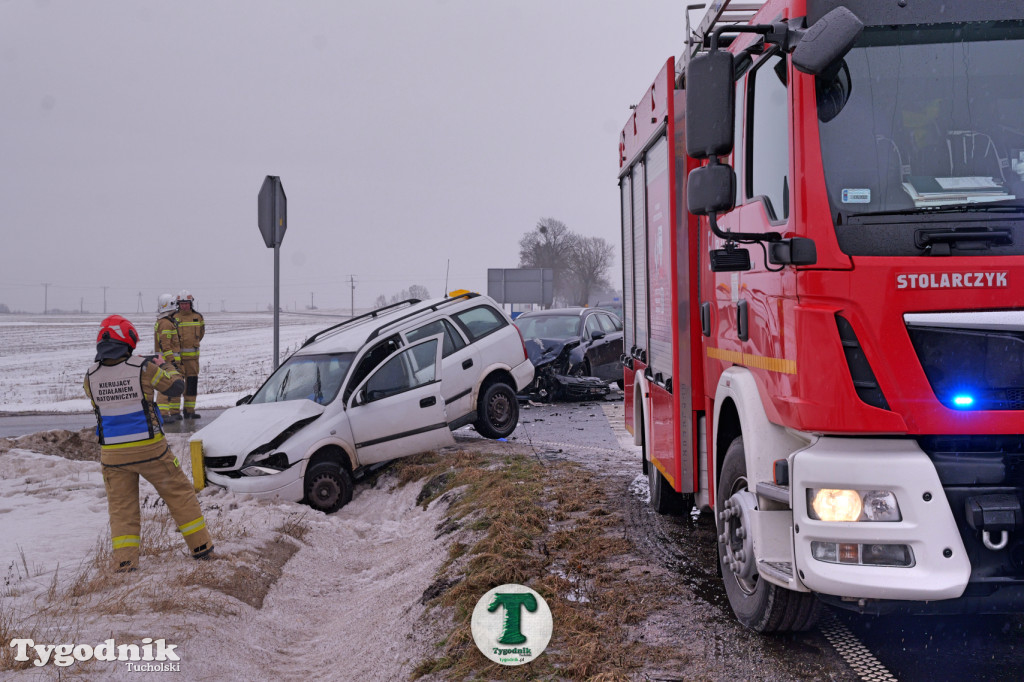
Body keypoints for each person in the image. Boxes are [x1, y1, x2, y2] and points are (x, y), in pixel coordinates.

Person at [83, 315, 214, 572]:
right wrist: (165, 363)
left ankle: (124, 562)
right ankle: (201, 548)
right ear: (128, 341)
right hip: (150, 450)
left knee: (122, 510)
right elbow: (176, 387)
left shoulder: (90, 376)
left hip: (112, 456)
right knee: (180, 494)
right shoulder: (143, 368)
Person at [173, 290, 205, 419]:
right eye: (182, 303)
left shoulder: (198, 317)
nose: (184, 306)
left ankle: (189, 411)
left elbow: (201, 334)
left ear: (191, 303)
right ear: (178, 304)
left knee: (191, 385)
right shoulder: (173, 317)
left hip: (192, 360)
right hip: (178, 360)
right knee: (176, 385)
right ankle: (174, 412)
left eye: (186, 303)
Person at [153, 293, 181, 422]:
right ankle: (163, 414)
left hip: (171, 361)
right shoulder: (165, 324)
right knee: (165, 386)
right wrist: (171, 362)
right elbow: (166, 346)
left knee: (176, 384)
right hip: (167, 362)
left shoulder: (167, 322)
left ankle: (174, 412)